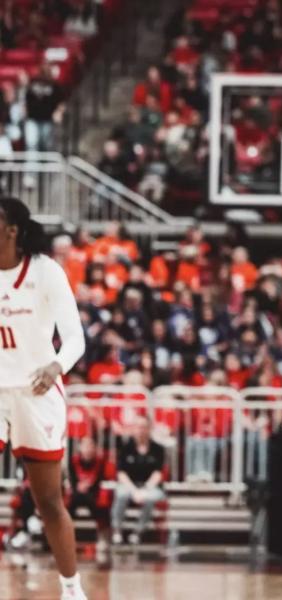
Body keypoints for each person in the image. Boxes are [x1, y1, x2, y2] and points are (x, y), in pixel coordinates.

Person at [0, 197, 88, 599]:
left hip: (36, 390)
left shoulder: (45, 271)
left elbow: (75, 338)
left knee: (49, 500)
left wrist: (56, 367)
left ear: (12, 229)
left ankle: (71, 589)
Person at [110, 416, 166, 546]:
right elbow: (121, 473)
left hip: (149, 485)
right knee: (121, 494)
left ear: (149, 429)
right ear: (134, 429)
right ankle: (117, 530)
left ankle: (138, 532)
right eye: (139, 427)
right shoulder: (126, 447)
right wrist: (134, 491)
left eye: (144, 427)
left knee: (151, 497)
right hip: (129, 485)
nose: (141, 430)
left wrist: (145, 490)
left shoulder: (158, 449)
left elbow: (158, 473)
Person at [67, 436, 112, 554]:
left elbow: (100, 480)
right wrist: (79, 486)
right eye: (85, 446)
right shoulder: (73, 461)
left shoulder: (100, 462)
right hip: (77, 493)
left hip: (93, 493)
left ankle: (103, 537)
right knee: (66, 507)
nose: (88, 449)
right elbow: (72, 481)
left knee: (102, 507)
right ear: (80, 448)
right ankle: (65, 536)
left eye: (91, 446)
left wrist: (87, 486)